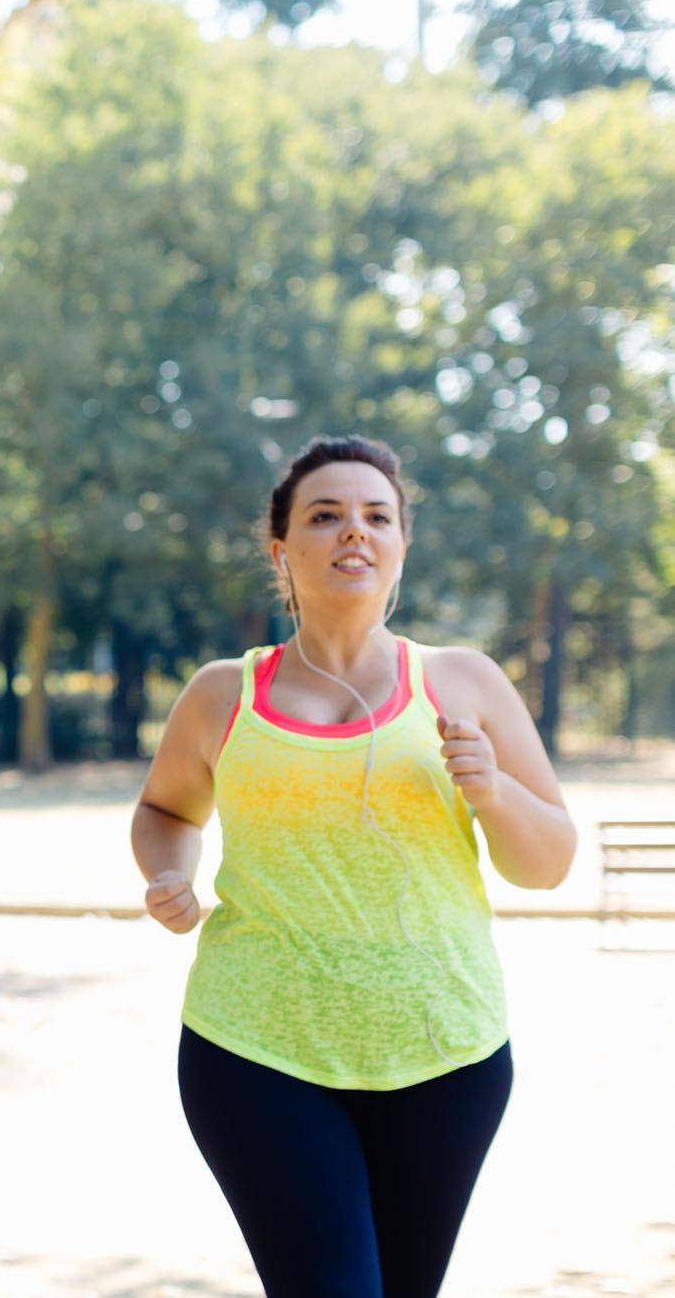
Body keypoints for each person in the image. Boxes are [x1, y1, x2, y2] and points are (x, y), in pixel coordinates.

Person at [132, 435, 577, 1297]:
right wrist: (168, 874)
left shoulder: (464, 683)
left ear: (401, 545)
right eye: (325, 515)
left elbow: (548, 863)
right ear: (281, 551)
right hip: (256, 1052)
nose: (353, 533)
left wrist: (491, 792)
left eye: (377, 517)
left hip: (446, 1054)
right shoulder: (223, 693)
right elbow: (162, 812)